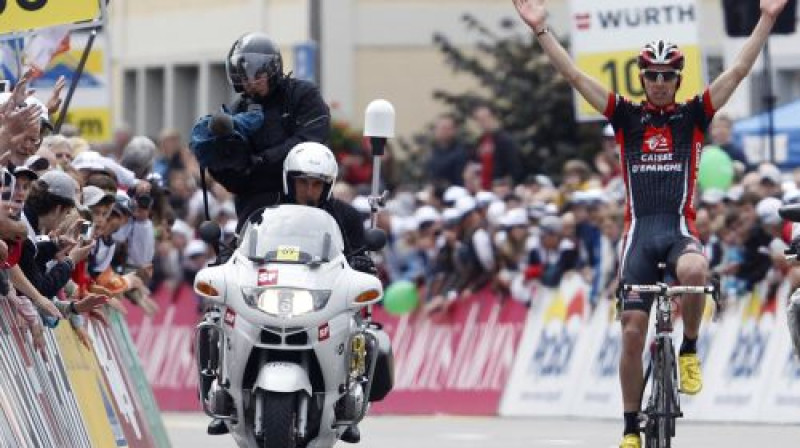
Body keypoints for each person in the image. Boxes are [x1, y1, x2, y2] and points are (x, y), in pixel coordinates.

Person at [512, 1, 788, 447]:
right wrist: (542, 31)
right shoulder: (627, 117)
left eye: (668, 75)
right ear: (642, 79)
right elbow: (576, 77)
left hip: (678, 229)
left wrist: (768, 19)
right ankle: (628, 426)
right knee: (632, 333)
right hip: (639, 235)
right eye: (652, 75)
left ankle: (691, 348)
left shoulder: (693, 115)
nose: (660, 82)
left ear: (678, 80)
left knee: (697, 273)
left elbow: (737, 70)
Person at [207, 142, 373, 442]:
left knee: (363, 330)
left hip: (323, 298)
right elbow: (240, 249)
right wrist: (224, 259)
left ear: (328, 186)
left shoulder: (345, 216)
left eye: (316, 184)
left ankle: (349, 399)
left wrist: (362, 262)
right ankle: (218, 389)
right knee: (213, 321)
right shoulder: (265, 213)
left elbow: (362, 255)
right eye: (303, 182)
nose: (309, 190)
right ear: (289, 180)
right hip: (270, 293)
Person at [207, 32, 331, 225]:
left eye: (257, 75)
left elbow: (310, 140)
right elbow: (236, 177)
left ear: (272, 68)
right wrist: (215, 157)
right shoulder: (237, 112)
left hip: (307, 203)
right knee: (227, 253)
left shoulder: (303, 95)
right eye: (244, 77)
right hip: (257, 215)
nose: (250, 82)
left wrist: (263, 160)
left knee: (347, 227)